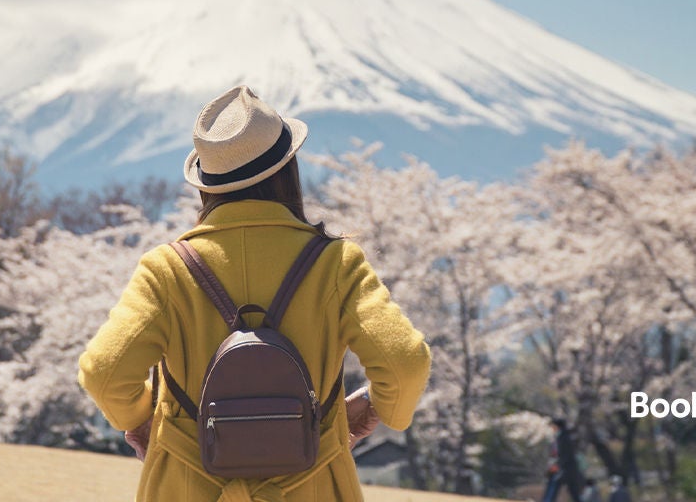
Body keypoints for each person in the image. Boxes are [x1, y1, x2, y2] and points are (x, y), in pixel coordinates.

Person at [79, 85, 432, 502]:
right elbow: (406, 363)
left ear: (205, 185)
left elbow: (104, 373)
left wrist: (145, 421)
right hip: (313, 485)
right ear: (288, 171)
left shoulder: (167, 269)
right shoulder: (336, 263)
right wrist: (375, 410)